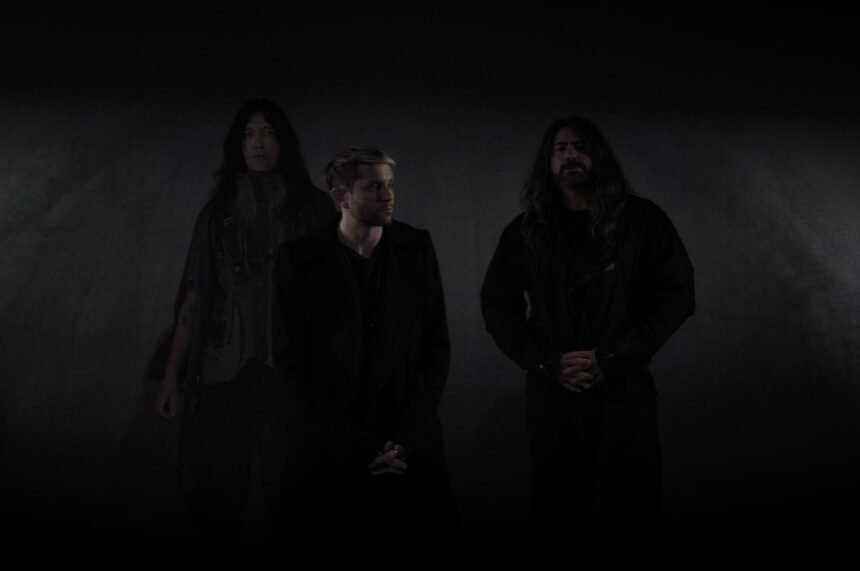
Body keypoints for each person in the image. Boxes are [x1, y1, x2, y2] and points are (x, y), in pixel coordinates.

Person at [480, 116, 695, 557]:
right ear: (548, 161)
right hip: (554, 396)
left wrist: (611, 359)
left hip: (624, 392)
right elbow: (498, 305)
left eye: (580, 146)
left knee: (634, 516)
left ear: (598, 156)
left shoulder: (642, 220)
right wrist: (546, 362)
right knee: (558, 519)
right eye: (560, 148)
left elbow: (677, 297)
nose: (571, 155)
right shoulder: (525, 231)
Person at [155, 98, 334, 560]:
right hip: (225, 368)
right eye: (249, 134)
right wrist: (173, 375)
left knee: (296, 493)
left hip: (291, 370)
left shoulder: (314, 209)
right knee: (217, 493)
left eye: (268, 133)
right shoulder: (217, 214)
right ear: (237, 145)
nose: (258, 143)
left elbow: (341, 298)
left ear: (283, 143)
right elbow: (194, 296)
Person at [273, 147, 457, 560]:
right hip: (328, 450)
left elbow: (436, 349)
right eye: (374, 187)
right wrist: (354, 447)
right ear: (341, 196)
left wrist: (405, 438)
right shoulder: (298, 259)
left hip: (408, 445)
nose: (388, 195)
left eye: (390, 185)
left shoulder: (416, 248)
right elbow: (291, 366)